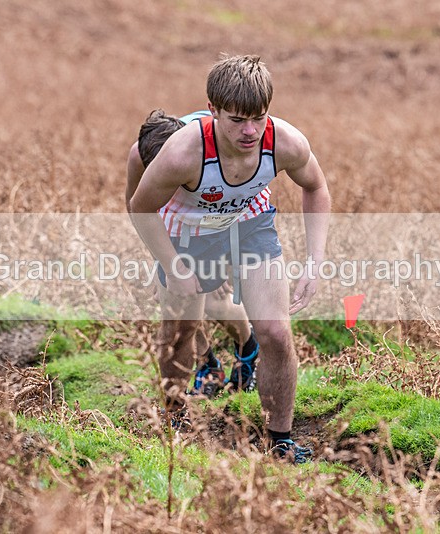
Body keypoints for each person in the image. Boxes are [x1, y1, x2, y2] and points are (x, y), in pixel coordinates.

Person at [130, 55, 331, 463]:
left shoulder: (286, 142)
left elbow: (317, 188)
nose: (250, 131)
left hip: (250, 224)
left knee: (276, 332)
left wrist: (314, 261)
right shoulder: (181, 153)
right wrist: (171, 265)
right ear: (212, 108)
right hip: (187, 231)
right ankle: (175, 417)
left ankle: (280, 442)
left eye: (258, 118)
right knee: (181, 330)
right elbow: (140, 207)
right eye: (238, 119)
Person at [126, 110, 260, 397]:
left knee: (215, 302)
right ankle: (207, 364)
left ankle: (248, 347)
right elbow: (137, 208)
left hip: (220, 217)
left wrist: (224, 261)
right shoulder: (139, 155)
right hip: (173, 226)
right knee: (177, 307)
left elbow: (240, 206)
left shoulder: (206, 152)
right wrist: (163, 261)